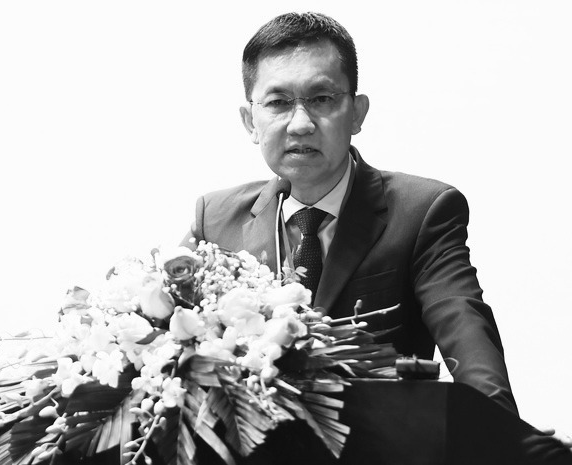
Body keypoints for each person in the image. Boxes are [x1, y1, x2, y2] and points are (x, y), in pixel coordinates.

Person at [184, 11, 518, 414]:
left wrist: (501, 433)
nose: (301, 124)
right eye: (278, 102)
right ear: (250, 121)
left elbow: (468, 338)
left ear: (357, 112)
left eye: (322, 99)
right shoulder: (215, 220)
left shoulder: (422, 213)